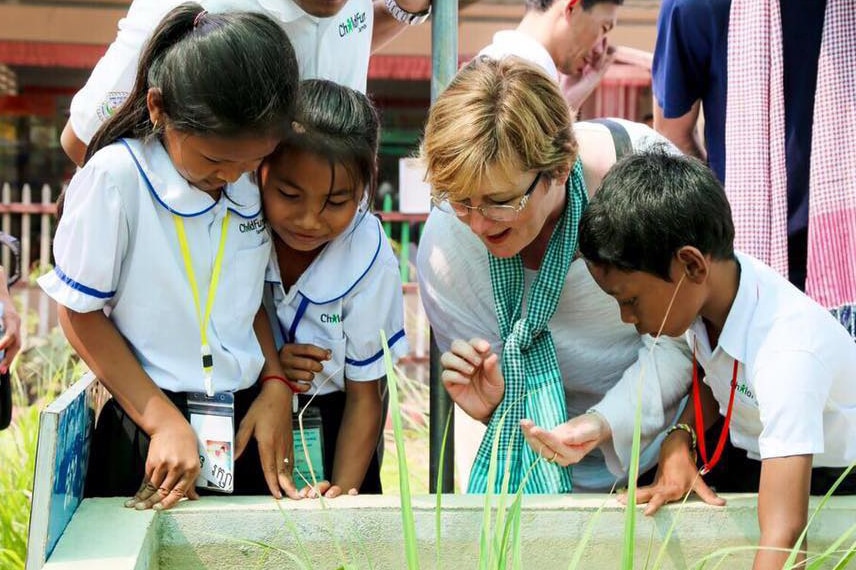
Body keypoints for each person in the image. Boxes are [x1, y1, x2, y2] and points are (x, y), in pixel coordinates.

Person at [39, 4, 301, 510]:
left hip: (245, 420)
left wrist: (273, 384)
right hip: (149, 426)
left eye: (252, 160)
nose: (231, 176)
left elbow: (247, 305)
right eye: (215, 160)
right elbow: (77, 312)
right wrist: (160, 419)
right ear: (159, 109)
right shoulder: (116, 179)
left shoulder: (246, 185)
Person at [417, 56, 692, 494]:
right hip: (531, 466)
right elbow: (503, 403)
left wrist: (603, 424)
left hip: (662, 459)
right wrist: (495, 405)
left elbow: (683, 341)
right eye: (460, 199)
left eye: (500, 201)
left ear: (561, 167)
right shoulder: (446, 246)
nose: (479, 223)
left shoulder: (641, 174)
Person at [575, 150, 856, 569]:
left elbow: (785, 535)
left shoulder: (787, 353)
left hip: (833, 479)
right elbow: (717, 373)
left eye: (630, 300)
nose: (628, 319)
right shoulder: (713, 296)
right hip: (761, 451)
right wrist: (680, 436)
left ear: (690, 264)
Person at [652, 0, 855, 337]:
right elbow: (673, 138)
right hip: (744, 262)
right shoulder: (694, 6)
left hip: (746, 267)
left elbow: (673, 135)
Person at [260, 80, 408, 498]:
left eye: (335, 202)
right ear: (260, 169)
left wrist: (341, 491)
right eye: (289, 194)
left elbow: (365, 399)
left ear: (363, 190)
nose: (309, 220)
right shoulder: (240, 228)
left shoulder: (369, 260)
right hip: (254, 412)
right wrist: (270, 365)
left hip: (337, 428)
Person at [60, 0, 432, 166]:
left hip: (318, 260)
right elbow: (83, 138)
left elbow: (338, 37)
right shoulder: (193, 8)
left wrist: (405, 10)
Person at [478, 0, 622, 110]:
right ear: (573, 7)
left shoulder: (486, 64)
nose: (599, 49)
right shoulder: (514, 78)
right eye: (604, 27)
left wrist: (565, 102)